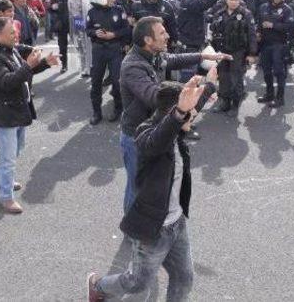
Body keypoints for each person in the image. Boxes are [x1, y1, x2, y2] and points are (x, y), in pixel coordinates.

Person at [88, 75, 217, 302]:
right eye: (189, 113)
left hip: (177, 224)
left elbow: (190, 109)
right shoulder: (146, 133)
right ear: (171, 112)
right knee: (137, 284)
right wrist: (180, 113)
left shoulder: (176, 129)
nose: (193, 117)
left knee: (184, 278)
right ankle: (98, 287)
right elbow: (157, 141)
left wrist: (209, 84)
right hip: (153, 230)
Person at [119, 16, 231, 213]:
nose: (167, 36)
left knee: (155, 186)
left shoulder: (153, 55)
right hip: (136, 137)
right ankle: (134, 231)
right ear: (148, 40)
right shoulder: (133, 66)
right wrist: (193, 92)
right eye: (162, 33)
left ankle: (149, 226)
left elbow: (172, 60)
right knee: (138, 187)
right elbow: (155, 96)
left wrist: (204, 57)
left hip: (157, 131)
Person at [0, 16, 59, 214]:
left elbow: (23, 73)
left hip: (17, 108)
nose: (16, 35)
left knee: (17, 147)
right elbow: (7, 82)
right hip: (4, 112)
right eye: (12, 32)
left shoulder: (9, 49)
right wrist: (29, 65)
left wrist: (45, 63)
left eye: (16, 31)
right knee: (8, 158)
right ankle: (6, 197)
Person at [176, 0, 247, 82]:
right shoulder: (187, 1)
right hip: (188, 48)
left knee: (197, 81)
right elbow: (203, 3)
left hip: (197, 46)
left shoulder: (193, 0)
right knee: (187, 82)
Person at [86, 0, 129, 125]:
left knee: (117, 81)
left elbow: (126, 30)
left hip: (114, 49)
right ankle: (96, 112)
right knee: (96, 81)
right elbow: (87, 30)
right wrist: (94, 32)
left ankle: (118, 109)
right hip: (98, 50)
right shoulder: (92, 12)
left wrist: (114, 35)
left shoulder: (119, 10)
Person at [209, 0, 258, 113]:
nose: (233, 2)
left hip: (239, 51)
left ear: (239, 0)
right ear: (226, 0)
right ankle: (224, 102)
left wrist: (252, 54)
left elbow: (252, 35)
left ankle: (235, 104)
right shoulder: (219, 13)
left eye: (236, 0)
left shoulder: (246, 14)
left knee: (236, 77)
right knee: (223, 76)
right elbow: (213, 32)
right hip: (223, 50)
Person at [256, 0, 294, 107]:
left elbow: (289, 26)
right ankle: (269, 93)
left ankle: (280, 97)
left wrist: (273, 25)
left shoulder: (287, 9)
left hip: (279, 44)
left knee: (279, 71)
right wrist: (258, 33)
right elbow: (259, 23)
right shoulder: (263, 7)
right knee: (266, 71)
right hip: (265, 44)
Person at [50, 0, 73, 72]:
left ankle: (84, 66)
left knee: (79, 45)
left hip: (72, 24)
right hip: (61, 25)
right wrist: (52, 7)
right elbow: (49, 9)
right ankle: (64, 65)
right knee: (62, 46)